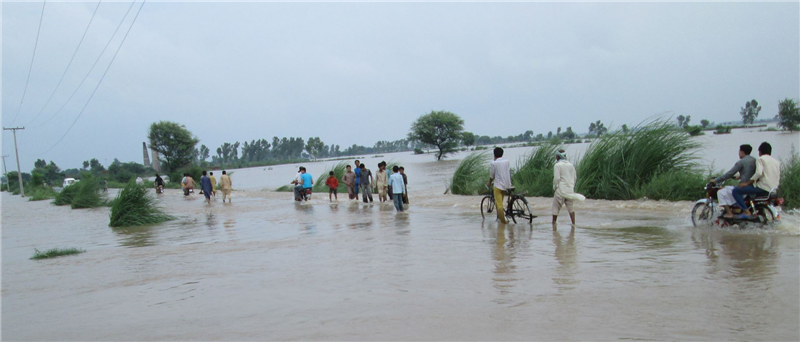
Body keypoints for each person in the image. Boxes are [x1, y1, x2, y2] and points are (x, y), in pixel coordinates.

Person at [732, 142, 780, 219]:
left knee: (736, 190)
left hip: (762, 188)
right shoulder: (776, 161)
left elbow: (758, 173)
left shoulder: (760, 159)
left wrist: (746, 183)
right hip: (773, 189)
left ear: (760, 151)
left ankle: (746, 211)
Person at [710, 144, 756, 218]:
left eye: (739, 151)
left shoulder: (741, 162)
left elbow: (729, 174)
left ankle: (729, 213)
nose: (738, 153)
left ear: (742, 152)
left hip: (744, 189)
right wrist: (740, 176)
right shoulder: (754, 160)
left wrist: (716, 180)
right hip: (753, 187)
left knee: (721, 192)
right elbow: (750, 173)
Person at [552, 149, 584, 226]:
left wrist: (555, 187)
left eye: (556, 155)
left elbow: (557, 179)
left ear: (558, 156)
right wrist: (571, 186)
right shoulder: (571, 165)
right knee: (570, 208)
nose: (556, 157)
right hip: (569, 190)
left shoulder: (557, 165)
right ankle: (573, 224)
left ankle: (553, 224)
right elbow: (575, 177)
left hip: (561, 190)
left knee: (556, 207)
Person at [487, 147, 512, 223]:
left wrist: (489, 183)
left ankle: (503, 221)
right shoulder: (507, 161)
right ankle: (500, 217)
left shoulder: (494, 163)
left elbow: (492, 176)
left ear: (494, 155)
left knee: (499, 205)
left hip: (498, 186)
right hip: (507, 184)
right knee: (501, 200)